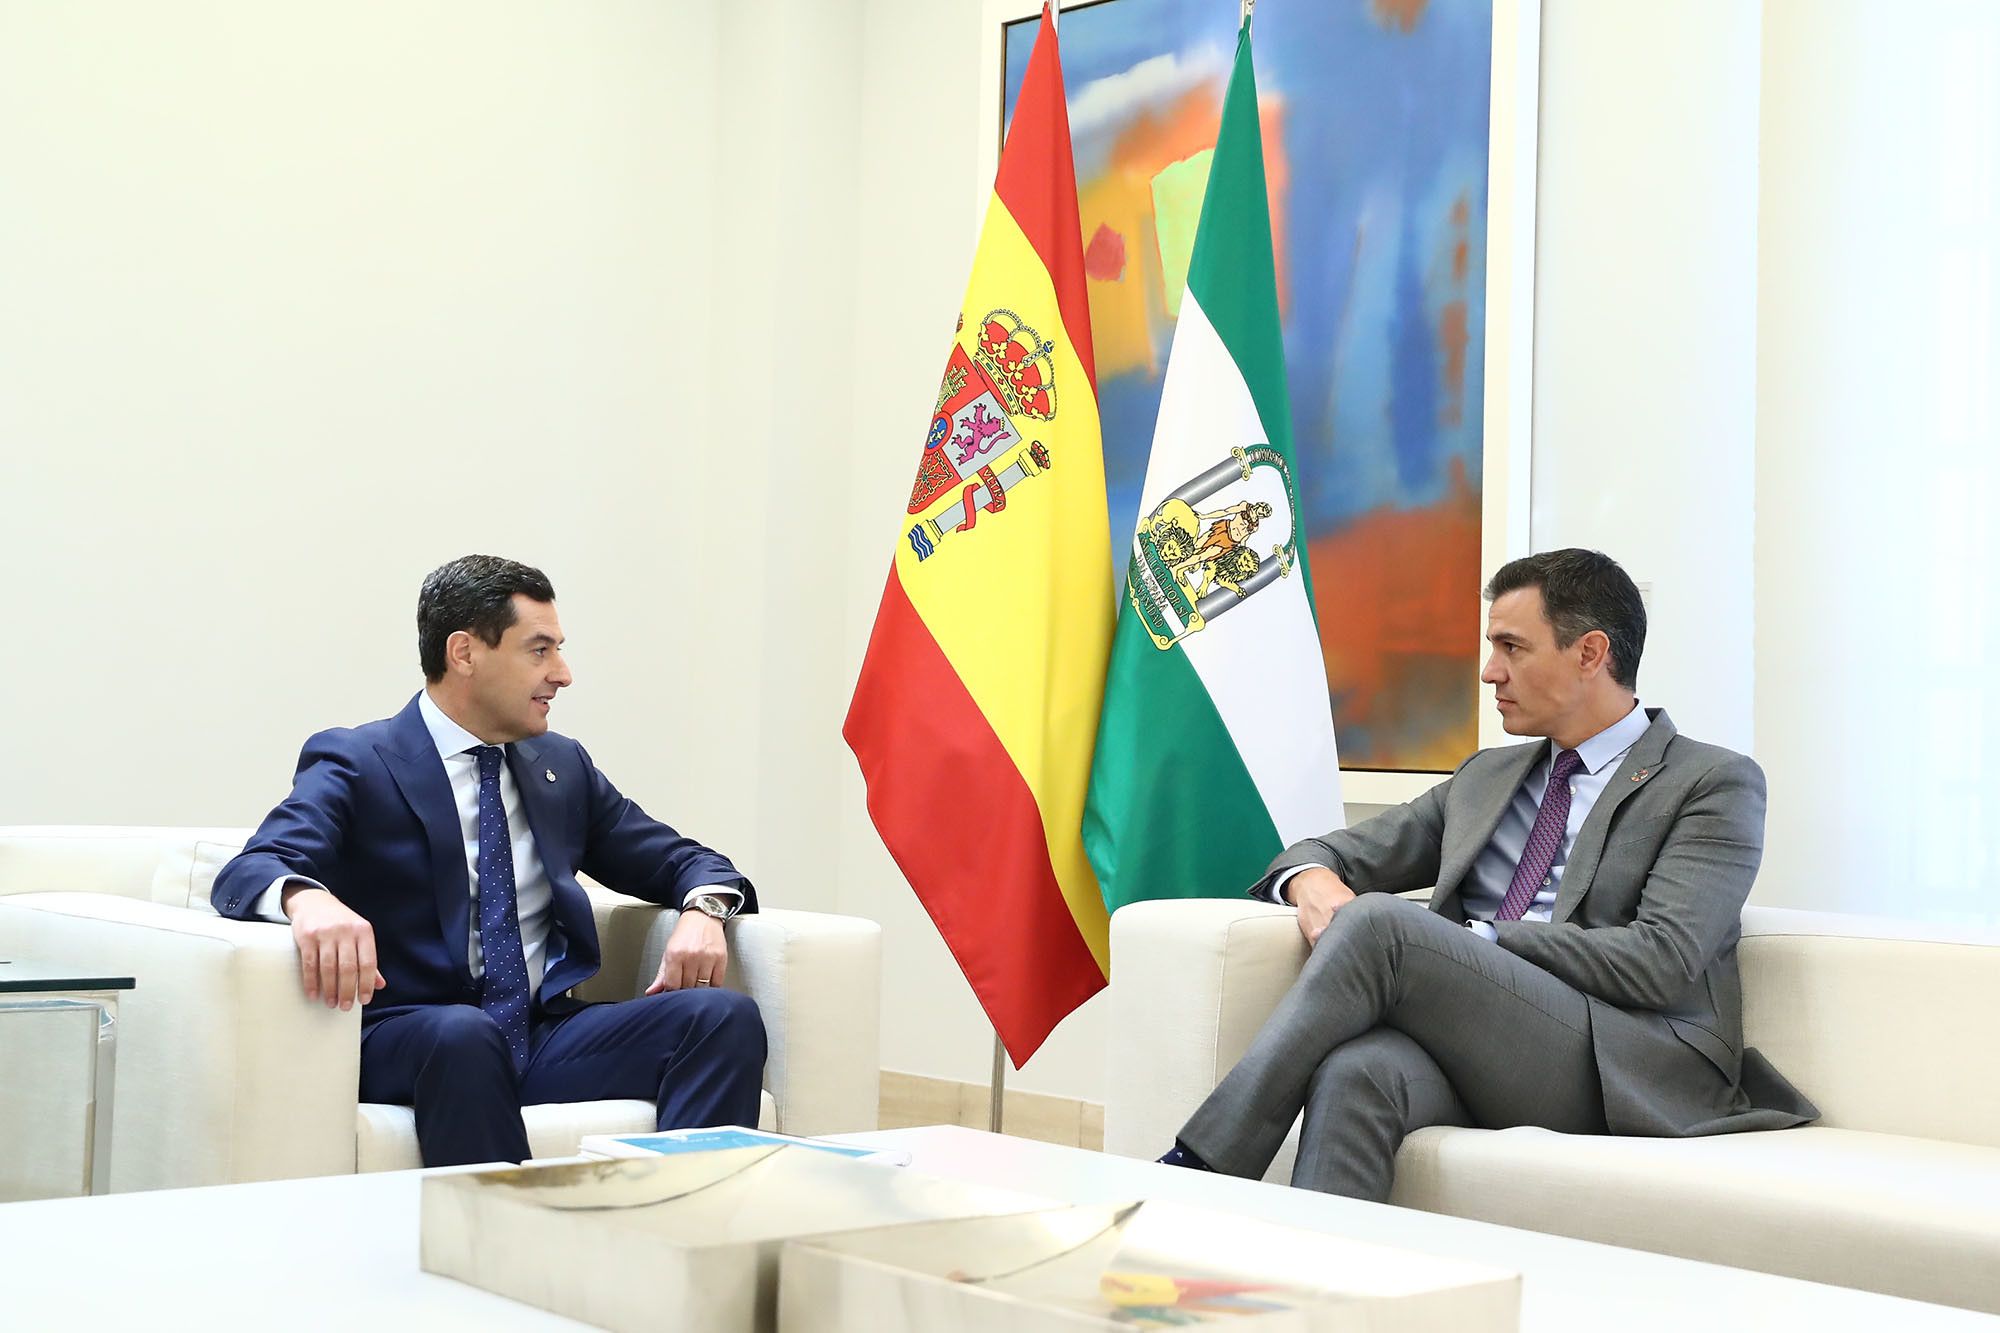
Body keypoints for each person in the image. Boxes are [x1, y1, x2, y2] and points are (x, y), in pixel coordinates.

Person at [1159, 548, 1817, 1200]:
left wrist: (1487, 940)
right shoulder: (1487, 778)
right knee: (1357, 1071)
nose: (1488, 670)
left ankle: (1201, 1171)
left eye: (1512, 647)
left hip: (1619, 1059)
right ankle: (1321, 1291)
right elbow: (1323, 851)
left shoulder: (1710, 782)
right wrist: (1311, 879)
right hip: (1492, 1049)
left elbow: (1662, 959)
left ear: (1590, 654)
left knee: (1384, 925)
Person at [212, 554, 765, 1167]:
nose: (563, 674)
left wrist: (704, 910)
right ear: (465, 653)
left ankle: (680, 1229)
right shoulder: (359, 760)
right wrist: (305, 898)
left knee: (720, 1016)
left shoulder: (561, 769)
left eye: (559, 650)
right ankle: (505, 1252)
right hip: (412, 1035)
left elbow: (686, 861)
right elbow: (254, 868)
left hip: (537, 1033)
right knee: (463, 1033)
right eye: (540, 650)